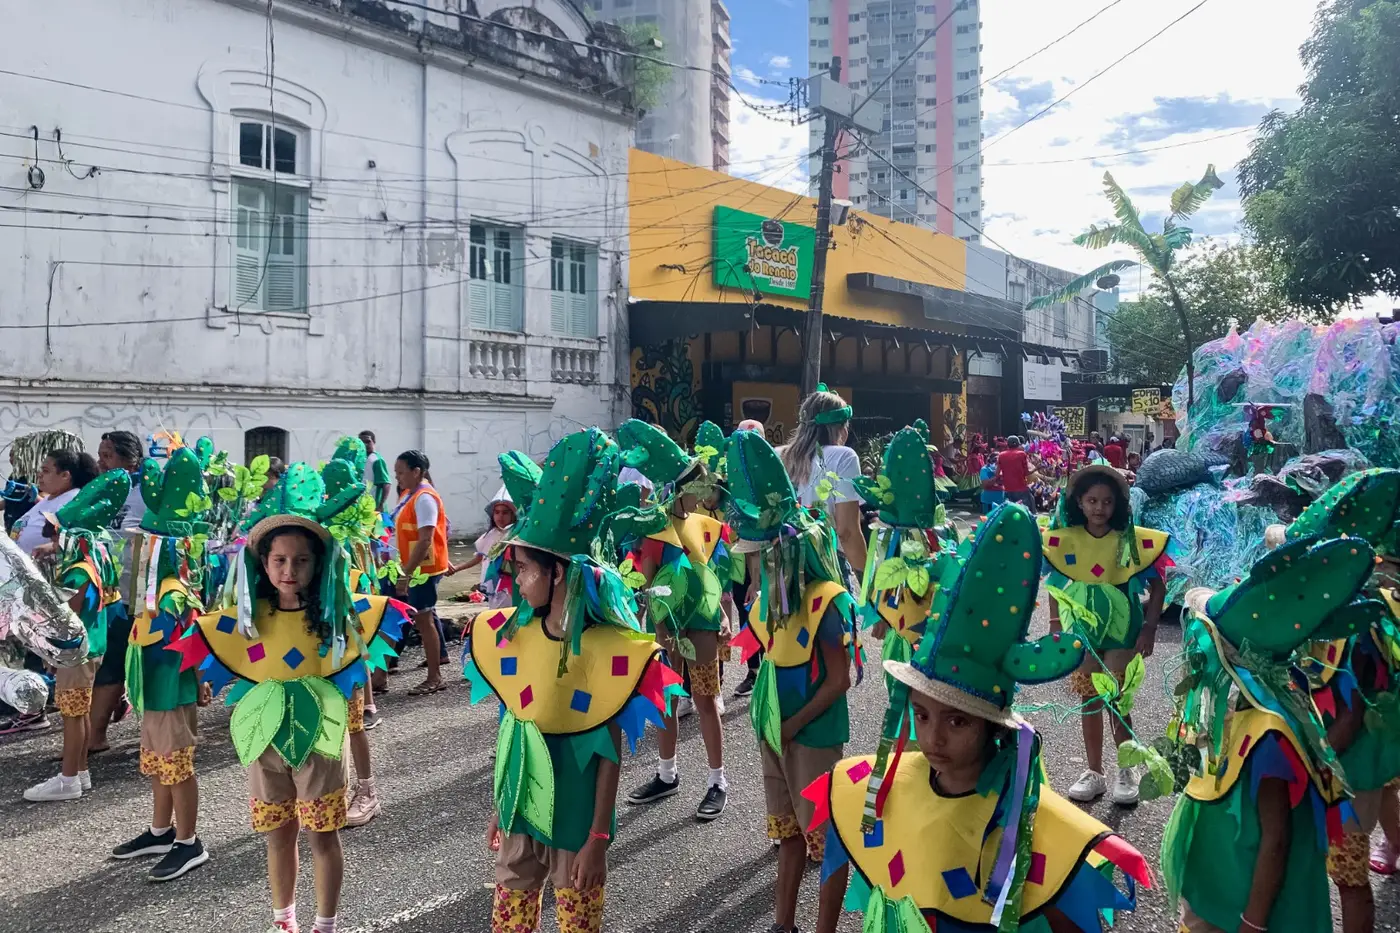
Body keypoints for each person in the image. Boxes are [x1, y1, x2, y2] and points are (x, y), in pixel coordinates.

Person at [815, 503, 1149, 933]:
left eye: (957, 722)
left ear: (990, 724)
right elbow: (837, 853)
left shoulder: (1030, 823)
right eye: (921, 714)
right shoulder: (878, 791)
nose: (933, 738)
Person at [170, 462, 411, 933]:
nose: (289, 569)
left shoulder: (335, 619)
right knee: (278, 836)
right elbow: (215, 640)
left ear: (317, 564)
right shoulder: (248, 620)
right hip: (265, 743)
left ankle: (326, 923)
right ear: (263, 564)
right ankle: (284, 921)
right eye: (279, 560)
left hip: (320, 741)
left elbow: (380, 619)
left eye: (301, 560)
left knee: (323, 837)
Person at [460, 428, 682, 933]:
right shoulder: (512, 638)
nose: (516, 580)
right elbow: (510, 727)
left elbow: (608, 752)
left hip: (577, 820)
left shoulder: (605, 649)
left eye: (523, 569)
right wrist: (501, 806)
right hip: (520, 811)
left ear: (557, 573)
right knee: (509, 925)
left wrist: (598, 837)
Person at [1164, 535, 1370, 933]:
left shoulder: (1268, 732)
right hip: (1217, 888)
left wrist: (1253, 923)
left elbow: (1277, 839)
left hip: (1243, 907)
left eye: (1205, 639)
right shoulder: (1240, 712)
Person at [724, 429, 858, 933]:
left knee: (823, 837)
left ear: (785, 552)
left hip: (811, 734)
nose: (754, 564)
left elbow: (839, 679)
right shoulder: (772, 598)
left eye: (761, 556)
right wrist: (768, 724)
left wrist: (793, 724)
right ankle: (783, 923)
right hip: (777, 731)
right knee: (787, 835)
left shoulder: (824, 598)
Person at [1282, 469, 1400, 933]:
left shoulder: (1350, 622)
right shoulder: (1364, 601)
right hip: (1377, 748)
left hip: (1348, 767)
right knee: (1389, 789)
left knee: (1348, 879)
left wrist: (1312, 768)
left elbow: (1348, 712)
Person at [618, 420, 731, 821]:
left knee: (704, 702)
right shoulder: (656, 528)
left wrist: (721, 614)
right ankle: (667, 774)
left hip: (700, 625)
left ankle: (717, 781)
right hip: (667, 629)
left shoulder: (701, 525)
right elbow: (646, 584)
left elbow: (709, 575)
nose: (707, 491)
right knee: (666, 701)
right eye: (701, 484)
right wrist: (658, 630)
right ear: (683, 488)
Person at [112, 447, 212, 881]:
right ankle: (160, 829)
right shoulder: (152, 593)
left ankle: (189, 841)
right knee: (156, 763)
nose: (136, 553)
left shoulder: (174, 594)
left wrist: (200, 682)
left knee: (176, 765)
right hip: (153, 692)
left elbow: (194, 644)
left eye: (144, 546)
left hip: (173, 694)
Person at [1043, 464, 1168, 806]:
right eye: (1092, 500)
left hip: (1122, 626)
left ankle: (1126, 769)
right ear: (1079, 503)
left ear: (1117, 506)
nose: (1099, 508)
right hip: (1082, 625)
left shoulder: (1129, 541)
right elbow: (1055, 581)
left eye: (1107, 502)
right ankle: (1094, 771)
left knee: (1116, 698)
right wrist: (1055, 624)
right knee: (1089, 698)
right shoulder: (1068, 541)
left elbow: (1158, 584)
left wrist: (1150, 627)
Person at [23, 469, 130, 802]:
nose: (55, 539)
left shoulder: (80, 567)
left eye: (57, 533)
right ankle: (79, 771)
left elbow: (71, 607)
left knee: (71, 714)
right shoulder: (97, 557)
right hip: (92, 645)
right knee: (79, 711)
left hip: (77, 650)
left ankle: (68, 778)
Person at [851, 426, 961, 675]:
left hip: (917, 623)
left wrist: (881, 614)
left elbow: (882, 569)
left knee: (908, 679)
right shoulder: (943, 531)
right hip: (939, 628)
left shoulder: (888, 534)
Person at [88, 429, 146, 753]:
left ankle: (96, 736)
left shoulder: (145, 493)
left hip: (136, 594)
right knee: (107, 660)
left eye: (107, 455)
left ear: (131, 459)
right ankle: (96, 734)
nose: (100, 462)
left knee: (117, 661)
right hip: (105, 592)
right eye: (100, 454)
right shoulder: (101, 492)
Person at [778, 386, 867, 582]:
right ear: (841, 427)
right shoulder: (844, 457)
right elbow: (846, 532)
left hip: (781, 570)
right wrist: (867, 582)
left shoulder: (778, 455)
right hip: (828, 565)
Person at [389, 450, 449, 695]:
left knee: (424, 620)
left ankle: (435, 677)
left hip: (423, 569)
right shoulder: (409, 494)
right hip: (413, 566)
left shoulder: (424, 498)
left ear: (416, 472)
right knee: (424, 617)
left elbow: (425, 540)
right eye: (396, 473)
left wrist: (406, 574)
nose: (398, 477)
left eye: (401, 472)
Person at [446, 487, 521, 610]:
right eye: (497, 512)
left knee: (506, 614)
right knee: (495, 612)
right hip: (493, 585)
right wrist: (456, 568)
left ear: (513, 515)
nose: (500, 516)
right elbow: (479, 558)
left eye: (505, 512)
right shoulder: (490, 535)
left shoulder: (517, 536)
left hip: (510, 584)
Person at [11, 449, 98, 554]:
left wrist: (52, 547)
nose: (40, 475)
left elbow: (79, 540)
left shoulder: (74, 501)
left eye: (46, 471)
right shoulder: (53, 497)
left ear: (65, 476)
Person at [994, 435, 1035, 511]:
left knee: (1009, 512)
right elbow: (1026, 473)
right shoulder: (1022, 454)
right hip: (1021, 489)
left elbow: (997, 474)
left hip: (1007, 489)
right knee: (1028, 510)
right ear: (1018, 444)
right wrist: (1036, 468)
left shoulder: (1001, 455)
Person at [359, 431, 392, 511]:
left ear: (374, 442)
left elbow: (386, 484)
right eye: (362, 442)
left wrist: (380, 505)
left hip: (374, 507)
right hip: (362, 506)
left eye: (368, 442)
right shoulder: (361, 460)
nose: (365, 445)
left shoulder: (376, 460)